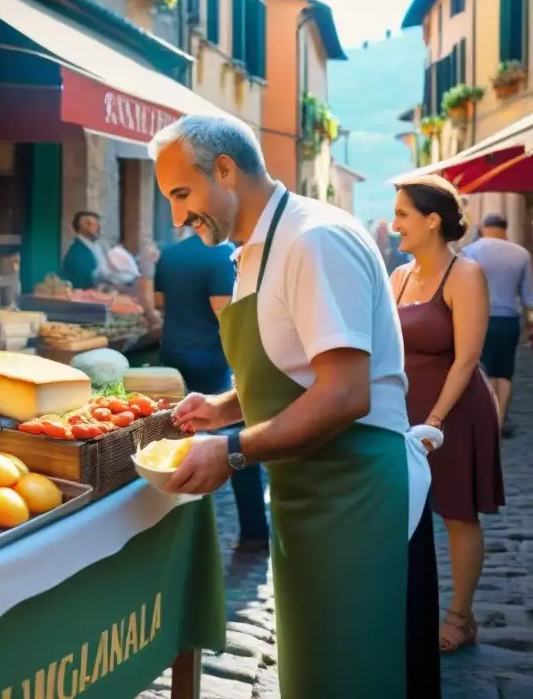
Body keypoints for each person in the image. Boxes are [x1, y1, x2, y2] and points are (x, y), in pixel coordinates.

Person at [150, 115, 439, 698]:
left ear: (225, 171)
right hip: (308, 490)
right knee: (315, 674)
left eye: (182, 194)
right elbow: (298, 368)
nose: (178, 218)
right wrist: (226, 408)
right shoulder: (252, 251)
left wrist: (229, 451)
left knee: (361, 675)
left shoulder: (314, 239)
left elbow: (343, 392)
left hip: (360, 496)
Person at [390, 176, 505, 653]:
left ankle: (460, 616)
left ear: (431, 221)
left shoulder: (466, 274)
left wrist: (434, 422)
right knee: (404, 514)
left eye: (402, 215)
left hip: (454, 413)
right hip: (404, 414)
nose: (394, 224)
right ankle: (406, 606)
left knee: (458, 514)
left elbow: (466, 359)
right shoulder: (397, 277)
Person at [152, 233, 269, 551]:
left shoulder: (170, 252)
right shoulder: (220, 255)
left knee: (176, 438)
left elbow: (158, 303)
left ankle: (175, 532)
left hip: (174, 353)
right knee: (235, 441)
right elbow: (225, 315)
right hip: (213, 358)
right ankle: (255, 529)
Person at [461, 212, 533, 435]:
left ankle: (486, 421)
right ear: (505, 229)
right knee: (504, 373)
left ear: (483, 227)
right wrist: (531, 324)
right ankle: (499, 423)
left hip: (478, 319)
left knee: (484, 371)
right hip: (509, 321)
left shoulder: (469, 252)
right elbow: (529, 297)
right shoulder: (521, 254)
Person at [61, 211, 137, 289]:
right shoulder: (76, 252)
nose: (94, 226)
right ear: (78, 227)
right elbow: (88, 278)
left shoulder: (98, 246)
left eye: (96, 223)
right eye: (88, 223)